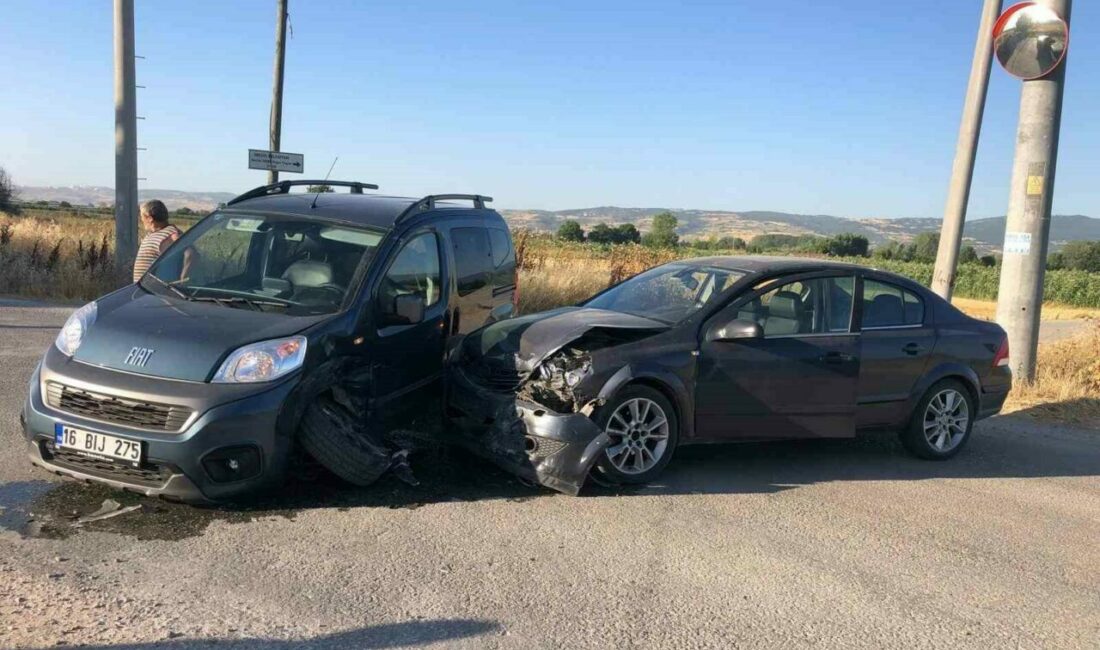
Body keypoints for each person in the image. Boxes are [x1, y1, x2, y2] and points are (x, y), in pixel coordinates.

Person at [132, 200, 182, 282]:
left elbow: (190, 253)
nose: (141, 219)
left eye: (141, 216)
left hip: (155, 291)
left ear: (150, 218)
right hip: (145, 290)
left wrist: (181, 279)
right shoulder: (155, 233)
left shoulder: (170, 234)